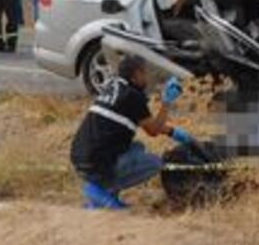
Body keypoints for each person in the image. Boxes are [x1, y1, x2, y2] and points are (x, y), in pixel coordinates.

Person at [70, 56, 187, 208]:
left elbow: (146, 122)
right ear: (136, 74)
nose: (148, 77)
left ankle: (104, 192)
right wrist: (166, 103)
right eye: (145, 73)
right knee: (154, 163)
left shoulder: (113, 87)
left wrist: (173, 132)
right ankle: (101, 190)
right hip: (96, 162)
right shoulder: (133, 97)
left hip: (81, 155)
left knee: (138, 147)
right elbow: (153, 130)